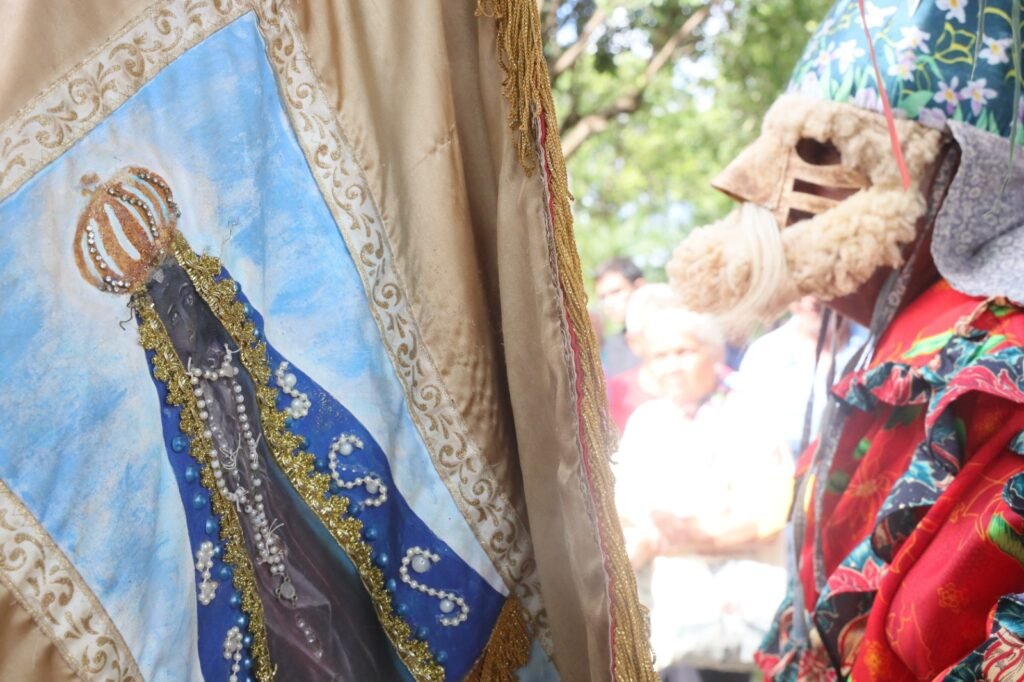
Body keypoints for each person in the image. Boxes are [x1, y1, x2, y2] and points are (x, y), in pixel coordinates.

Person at [0, 2, 655, 680]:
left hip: (286, 488)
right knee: (288, 614)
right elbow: (197, 452)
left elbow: (263, 379)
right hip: (244, 511)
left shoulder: (218, 313)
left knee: (331, 590)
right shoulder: (172, 370)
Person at [668, 1, 1024, 679]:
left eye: (821, 152)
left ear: (962, 183)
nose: (743, 183)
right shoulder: (910, 342)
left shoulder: (992, 355)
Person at [615, 307, 792, 681]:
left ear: (713, 353)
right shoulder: (647, 421)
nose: (672, 366)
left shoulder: (750, 413)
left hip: (731, 611)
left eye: (684, 351)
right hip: (665, 610)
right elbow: (626, 510)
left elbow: (766, 518)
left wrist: (683, 535)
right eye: (660, 356)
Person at [736, 296, 867, 456]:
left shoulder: (874, 343)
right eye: (804, 290)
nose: (813, 299)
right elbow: (749, 432)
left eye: (821, 287)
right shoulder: (763, 354)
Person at [606, 283, 677, 433]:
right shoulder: (617, 393)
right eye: (655, 334)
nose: (668, 341)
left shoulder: (710, 378)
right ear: (633, 341)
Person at [595, 257, 646, 377]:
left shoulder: (675, 331)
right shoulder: (611, 347)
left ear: (639, 286)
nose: (608, 303)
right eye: (602, 297)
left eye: (615, 292)